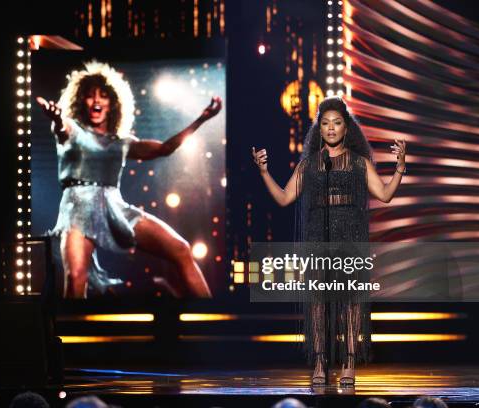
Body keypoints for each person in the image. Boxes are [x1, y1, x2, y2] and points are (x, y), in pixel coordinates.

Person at [252, 96, 406, 385]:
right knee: (318, 303)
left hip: (350, 237)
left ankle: (349, 363)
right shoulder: (309, 164)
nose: (331, 128)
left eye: (337, 123)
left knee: (350, 303)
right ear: (319, 129)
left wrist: (400, 167)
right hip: (316, 238)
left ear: (346, 127)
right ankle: (320, 363)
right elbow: (285, 198)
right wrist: (263, 172)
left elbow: (385, 195)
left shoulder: (359, 163)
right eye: (325, 123)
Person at [36, 61, 221, 298]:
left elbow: (164, 148)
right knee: (76, 277)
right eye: (90, 96)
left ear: (112, 104)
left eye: (102, 96)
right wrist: (56, 118)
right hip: (77, 207)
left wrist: (201, 119)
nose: (96, 101)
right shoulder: (73, 129)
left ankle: (209, 319)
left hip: (115, 207)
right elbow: (61, 128)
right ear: (81, 101)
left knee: (181, 249)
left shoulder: (122, 142)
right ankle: (70, 332)